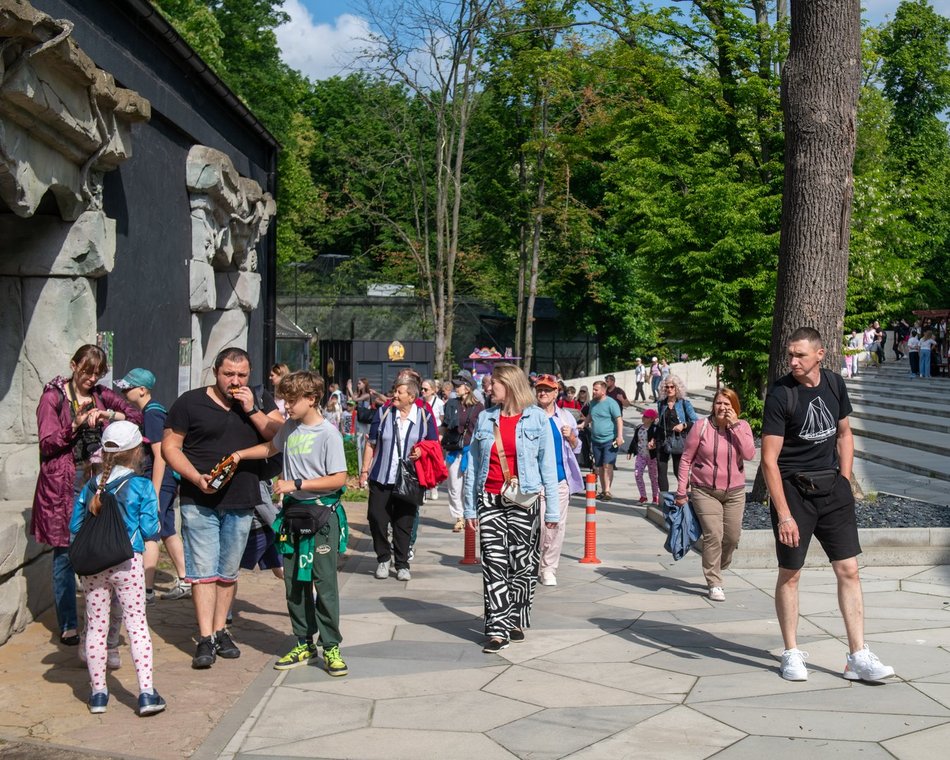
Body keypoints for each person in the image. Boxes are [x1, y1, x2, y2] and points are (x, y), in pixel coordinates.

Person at [761, 327, 895, 683]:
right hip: (794, 493)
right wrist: (784, 515)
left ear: (820, 355)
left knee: (849, 570)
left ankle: (858, 656)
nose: (793, 361)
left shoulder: (835, 384)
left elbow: (845, 433)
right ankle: (791, 653)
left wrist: (844, 481)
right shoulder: (780, 394)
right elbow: (769, 460)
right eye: (790, 355)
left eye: (800, 355)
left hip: (832, 489)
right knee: (791, 573)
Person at [161, 347, 283, 669]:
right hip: (199, 498)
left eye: (242, 375)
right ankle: (204, 637)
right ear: (216, 372)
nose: (235, 381)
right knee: (203, 572)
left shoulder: (259, 399)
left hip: (242, 499)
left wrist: (252, 409)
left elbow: (279, 437)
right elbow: (170, 447)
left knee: (228, 572)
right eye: (229, 374)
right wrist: (194, 477)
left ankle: (220, 631)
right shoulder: (189, 402)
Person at [231, 371, 349, 676]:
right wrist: (240, 455)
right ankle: (303, 642)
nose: (286, 406)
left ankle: (331, 645)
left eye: (292, 400)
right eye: (285, 400)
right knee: (294, 581)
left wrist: (296, 483)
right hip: (293, 516)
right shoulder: (290, 427)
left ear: (312, 399)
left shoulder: (328, 434)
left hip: (321, 516)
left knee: (324, 582)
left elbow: (339, 478)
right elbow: (271, 448)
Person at [32, 345, 142, 647]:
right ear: (73, 365)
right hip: (62, 485)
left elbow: (136, 417)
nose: (91, 378)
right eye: (87, 372)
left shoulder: (100, 395)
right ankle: (69, 623)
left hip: (98, 480)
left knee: (102, 546)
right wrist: (75, 425)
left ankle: (99, 620)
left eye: (97, 373)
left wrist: (108, 414)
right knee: (65, 553)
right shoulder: (53, 397)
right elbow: (47, 442)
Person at [70, 421, 165, 716]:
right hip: (127, 561)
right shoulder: (141, 485)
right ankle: (146, 693)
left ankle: (98, 694)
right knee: (136, 625)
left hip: (94, 565)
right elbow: (150, 529)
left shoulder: (91, 485)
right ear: (136, 451)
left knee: (95, 627)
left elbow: (75, 525)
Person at [463, 364, 559, 652]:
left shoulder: (537, 418)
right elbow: (473, 465)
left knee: (521, 564)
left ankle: (515, 617)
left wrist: (552, 511)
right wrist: (469, 508)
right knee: (494, 563)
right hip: (489, 499)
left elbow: (548, 467)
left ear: (509, 384)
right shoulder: (485, 418)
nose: (488, 388)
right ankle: (497, 629)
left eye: (493, 383)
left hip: (523, 500)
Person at [115, 368, 190, 603]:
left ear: (142, 390)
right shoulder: (149, 412)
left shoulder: (152, 414)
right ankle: (186, 579)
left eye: (127, 388)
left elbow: (161, 455)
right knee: (167, 529)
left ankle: (145, 591)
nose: (124, 392)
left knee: (150, 534)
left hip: (160, 479)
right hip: (163, 480)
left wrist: (154, 493)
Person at [674, 388, 755, 602]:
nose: (722, 407)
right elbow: (686, 459)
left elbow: (749, 454)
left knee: (732, 537)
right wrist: (681, 491)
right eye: (719, 403)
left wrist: (735, 426)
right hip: (704, 490)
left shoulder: (743, 426)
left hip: (735, 492)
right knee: (713, 534)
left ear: (734, 407)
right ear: (713, 405)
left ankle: (719, 564)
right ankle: (714, 582)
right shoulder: (701, 427)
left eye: (727, 404)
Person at [359, 376, 438, 582]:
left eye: (399, 392)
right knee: (376, 518)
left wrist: (421, 451)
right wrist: (364, 471)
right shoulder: (383, 413)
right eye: (394, 391)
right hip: (381, 476)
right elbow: (371, 443)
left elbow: (433, 445)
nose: (394, 395)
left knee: (404, 522)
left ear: (411, 397)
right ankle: (383, 558)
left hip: (410, 479)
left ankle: (402, 564)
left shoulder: (424, 416)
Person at [533, 374, 583, 586]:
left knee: (556, 526)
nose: (543, 393)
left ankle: (549, 568)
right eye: (539, 389)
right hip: (535, 481)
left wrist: (571, 436)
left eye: (547, 389)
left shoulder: (565, 417)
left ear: (556, 393)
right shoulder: (529, 415)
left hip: (560, 480)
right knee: (540, 526)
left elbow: (577, 447)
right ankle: (534, 562)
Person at [442, 370, 484, 532]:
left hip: (471, 451)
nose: (455, 388)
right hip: (454, 450)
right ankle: (459, 517)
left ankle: (470, 515)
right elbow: (445, 426)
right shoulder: (451, 404)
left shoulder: (479, 407)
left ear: (467, 388)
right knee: (454, 486)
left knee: (470, 486)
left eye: (458, 386)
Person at [654, 374, 698, 493]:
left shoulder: (684, 403)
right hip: (662, 439)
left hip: (678, 439)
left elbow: (695, 421)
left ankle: (685, 494)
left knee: (678, 470)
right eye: (667, 387)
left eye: (672, 387)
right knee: (661, 469)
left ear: (677, 388)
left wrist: (683, 425)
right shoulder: (661, 403)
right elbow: (660, 423)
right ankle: (664, 498)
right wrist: (653, 438)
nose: (669, 389)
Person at [586, 381, 624, 500]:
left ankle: (607, 490)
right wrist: (583, 424)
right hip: (596, 440)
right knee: (600, 467)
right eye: (593, 389)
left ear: (603, 391)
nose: (593, 392)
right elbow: (590, 416)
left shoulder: (611, 403)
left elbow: (619, 420)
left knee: (607, 465)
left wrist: (619, 436)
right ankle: (603, 490)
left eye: (596, 390)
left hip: (610, 439)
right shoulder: (592, 403)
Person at [627, 408, 659, 504]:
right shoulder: (639, 428)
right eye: (643, 416)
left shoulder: (655, 429)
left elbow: (659, 440)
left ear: (652, 419)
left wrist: (654, 444)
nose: (643, 418)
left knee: (653, 477)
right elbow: (634, 440)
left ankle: (655, 496)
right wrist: (630, 451)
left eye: (646, 417)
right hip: (641, 455)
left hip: (652, 457)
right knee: (637, 474)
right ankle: (643, 496)